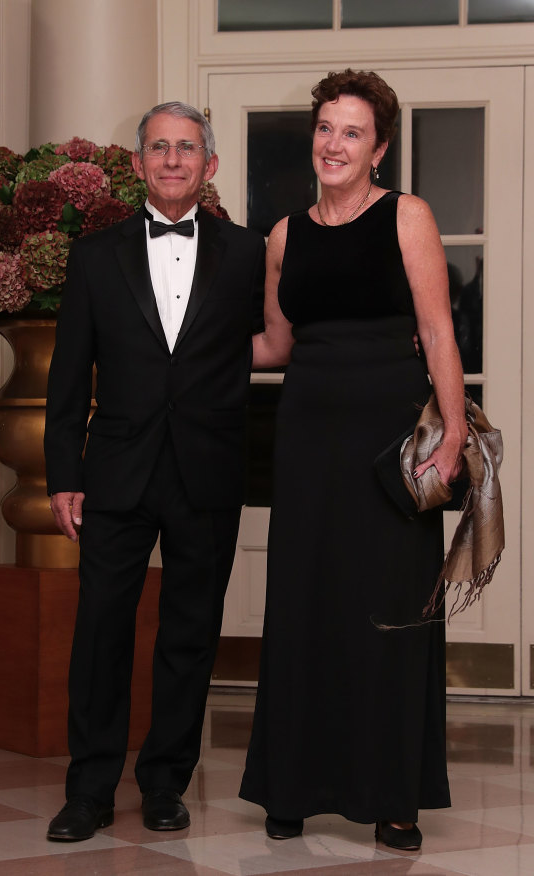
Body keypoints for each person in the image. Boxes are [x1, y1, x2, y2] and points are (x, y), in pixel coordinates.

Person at [239, 69, 467, 851]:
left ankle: (392, 796)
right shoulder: (282, 235)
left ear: (381, 148)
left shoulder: (408, 216)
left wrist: (455, 438)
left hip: (390, 438)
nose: (334, 144)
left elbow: (438, 333)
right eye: (326, 127)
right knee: (303, 602)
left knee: (390, 611)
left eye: (353, 132)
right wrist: (183, 357)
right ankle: (292, 785)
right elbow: (274, 343)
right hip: (306, 438)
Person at [44, 101, 265, 841]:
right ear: (136, 165)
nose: (173, 160)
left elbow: (283, 345)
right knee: (102, 630)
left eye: (187, 148)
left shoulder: (248, 252)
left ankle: (167, 782)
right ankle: (88, 790)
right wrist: (62, 473)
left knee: (190, 635)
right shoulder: (95, 256)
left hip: (208, 471)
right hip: (115, 472)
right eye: (159, 148)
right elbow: (68, 377)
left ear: (210, 165)